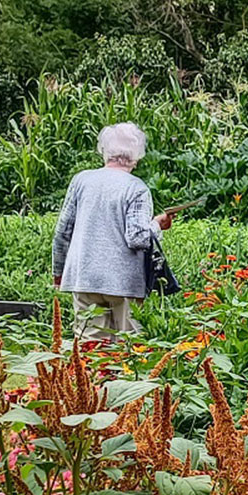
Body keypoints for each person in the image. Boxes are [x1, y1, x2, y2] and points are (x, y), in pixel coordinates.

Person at [51, 122, 173, 335]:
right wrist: (157, 224)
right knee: (128, 351)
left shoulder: (81, 180)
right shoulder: (136, 188)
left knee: (89, 350)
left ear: (105, 151)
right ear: (136, 155)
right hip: (124, 283)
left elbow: (63, 231)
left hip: (84, 277)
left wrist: (58, 272)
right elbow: (137, 238)